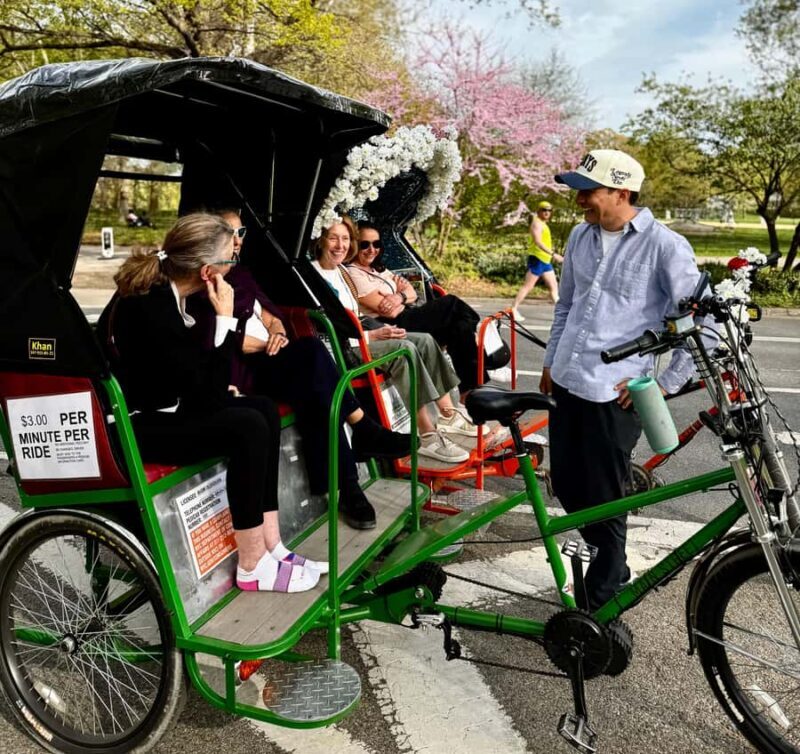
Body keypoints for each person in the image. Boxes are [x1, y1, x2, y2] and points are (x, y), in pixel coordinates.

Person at [98, 213, 324, 593]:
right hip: (134, 427)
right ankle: (252, 565)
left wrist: (222, 386)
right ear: (207, 272)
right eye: (228, 260)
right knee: (247, 426)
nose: (232, 265)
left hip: (164, 410)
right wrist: (225, 319)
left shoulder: (168, 296)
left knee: (262, 409)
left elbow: (201, 384)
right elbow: (206, 394)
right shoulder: (152, 307)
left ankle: (272, 546)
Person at [539, 149, 706, 609]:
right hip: (570, 382)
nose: (579, 200)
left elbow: (699, 323)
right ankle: (611, 566)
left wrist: (664, 384)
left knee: (607, 499)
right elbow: (566, 305)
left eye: (588, 191)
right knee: (570, 488)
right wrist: (551, 362)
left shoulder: (665, 246)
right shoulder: (579, 236)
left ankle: (603, 600)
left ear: (621, 191)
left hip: (614, 395)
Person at [186, 210, 415, 529]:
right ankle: (361, 435)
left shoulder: (242, 274)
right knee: (311, 357)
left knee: (316, 386)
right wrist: (267, 343)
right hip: (243, 367)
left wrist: (278, 331)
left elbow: (271, 313)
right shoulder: (201, 282)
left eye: (241, 234)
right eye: (230, 234)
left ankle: (349, 483)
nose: (237, 242)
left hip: (274, 353)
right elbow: (219, 337)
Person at [312, 218, 478, 464]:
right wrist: (371, 335)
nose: (340, 245)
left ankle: (448, 414)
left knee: (424, 341)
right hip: (344, 346)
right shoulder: (314, 276)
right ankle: (428, 434)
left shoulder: (343, 271)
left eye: (345, 239)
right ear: (320, 240)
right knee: (405, 349)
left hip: (362, 331)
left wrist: (381, 324)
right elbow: (325, 330)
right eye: (333, 238)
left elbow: (366, 313)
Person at [347, 221, 498, 394]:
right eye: (365, 244)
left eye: (377, 244)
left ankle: (470, 390)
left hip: (405, 313)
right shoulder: (353, 273)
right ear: (354, 245)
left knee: (459, 327)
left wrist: (399, 296)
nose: (372, 249)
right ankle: (485, 350)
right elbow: (387, 311)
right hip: (390, 324)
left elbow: (411, 291)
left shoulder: (378, 269)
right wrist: (402, 295)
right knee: (450, 303)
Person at [511, 200, 562, 320]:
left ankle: (562, 314)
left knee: (554, 287)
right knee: (528, 286)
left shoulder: (543, 224)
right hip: (537, 258)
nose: (547, 212)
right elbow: (538, 242)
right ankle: (513, 309)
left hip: (545, 261)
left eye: (549, 210)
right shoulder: (537, 223)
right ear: (538, 211)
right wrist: (554, 254)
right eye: (544, 210)